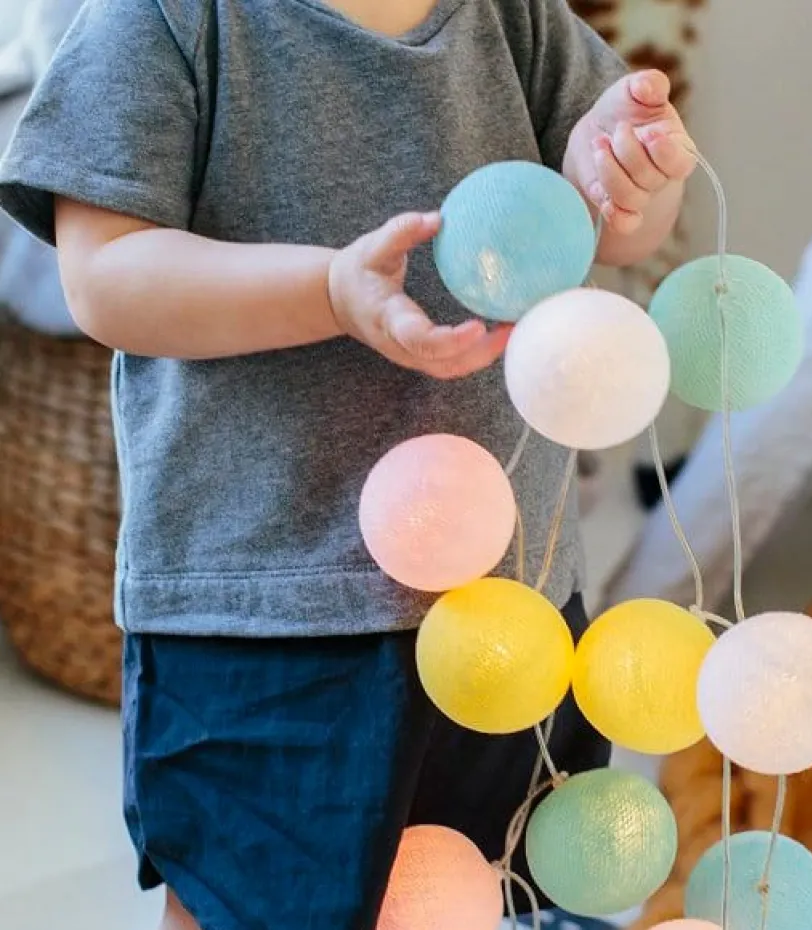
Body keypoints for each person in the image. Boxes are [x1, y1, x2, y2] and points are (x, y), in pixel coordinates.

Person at [0, 0, 694, 927]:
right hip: (264, 607)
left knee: (479, 889)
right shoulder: (165, 19)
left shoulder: (516, 19)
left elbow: (614, 228)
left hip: (504, 601)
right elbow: (105, 277)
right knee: (243, 897)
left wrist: (631, 175)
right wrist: (328, 290)